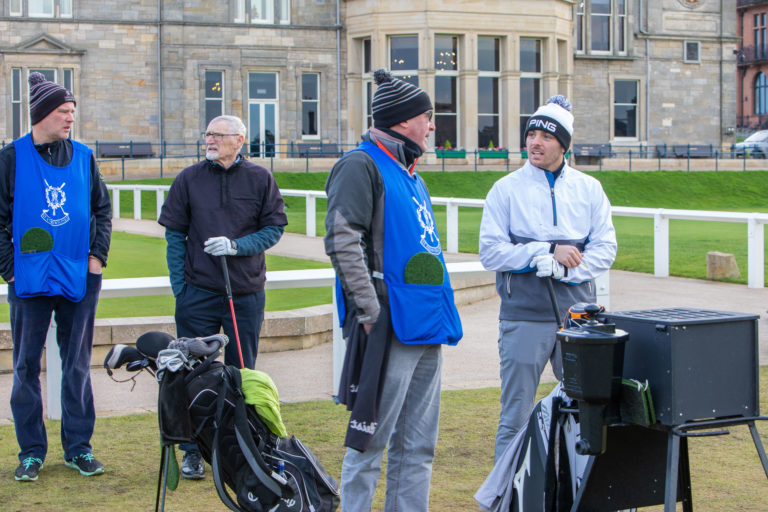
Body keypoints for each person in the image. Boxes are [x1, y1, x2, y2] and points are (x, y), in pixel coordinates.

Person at [325, 69, 463, 512]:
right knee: (369, 443)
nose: (432, 126)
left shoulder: (412, 175)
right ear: (404, 120)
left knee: (419, 446)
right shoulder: (359, 164)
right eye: (427, 117)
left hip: (426, 322)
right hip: (389, 323)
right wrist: (369, 312)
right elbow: (343, 240)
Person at [479, 95, 617, 462]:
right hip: (523, 318)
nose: (535, 143)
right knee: (515, 415)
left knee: (585, 411)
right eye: (531, 134)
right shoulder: (505, 189)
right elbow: (490, 252)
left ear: (564, 145)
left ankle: (578, 488)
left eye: (546, 136)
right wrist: (543, 251)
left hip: (579, 321)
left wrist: (566, 269)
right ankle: (506, 490)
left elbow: (606, 248)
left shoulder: (589, 189)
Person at [158, 114, 287, 479]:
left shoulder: (260, 178)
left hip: (245, 293)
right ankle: (192, 451)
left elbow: (273, 229)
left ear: (239, 141)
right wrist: (181, 288)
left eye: (217, 135)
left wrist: (236, 246)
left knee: (241, 373)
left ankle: (240, 445)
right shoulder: (188, 179)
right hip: (197, 293)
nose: (209, 140)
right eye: (208, 134)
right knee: (189, 373)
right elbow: (174, 236)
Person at [0, 72, 112, 481]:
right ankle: (31, 452)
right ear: (42, 113)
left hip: (78, 277)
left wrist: (97, 258)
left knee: (77, 365)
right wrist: (10, 271)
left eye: (72, 111)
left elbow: (102, 209)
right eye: (64, 111)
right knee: (25, 367)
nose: (70, 118)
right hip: (28, 280)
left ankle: (79, 449)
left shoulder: (83, 156)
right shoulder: (10, 158)